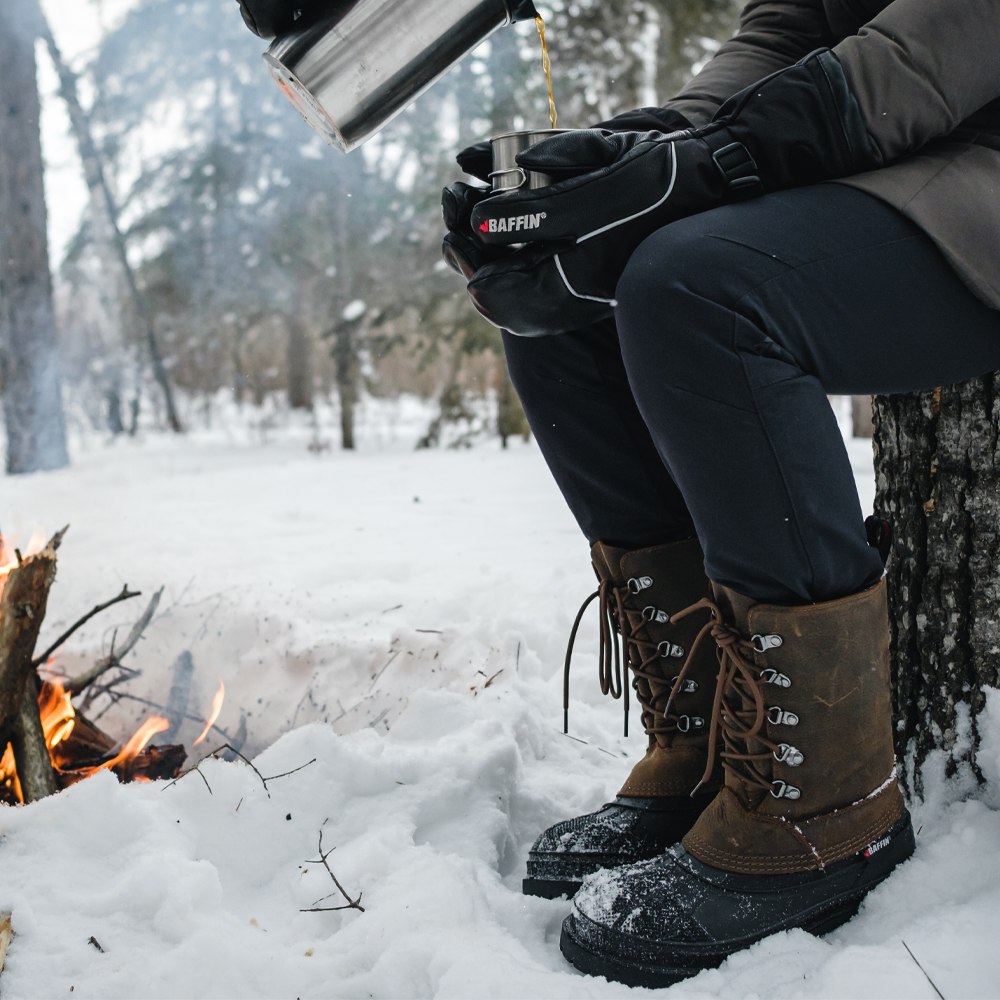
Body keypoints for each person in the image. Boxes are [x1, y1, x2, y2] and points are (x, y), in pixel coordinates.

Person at [240, 0, 1000, 987]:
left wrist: (718, 158)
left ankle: (827, 802)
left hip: (969, 160)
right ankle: (716, 732)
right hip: (896, 155)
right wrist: (640, 147)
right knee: (567, 289)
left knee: (697, 285)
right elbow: (789, 29)